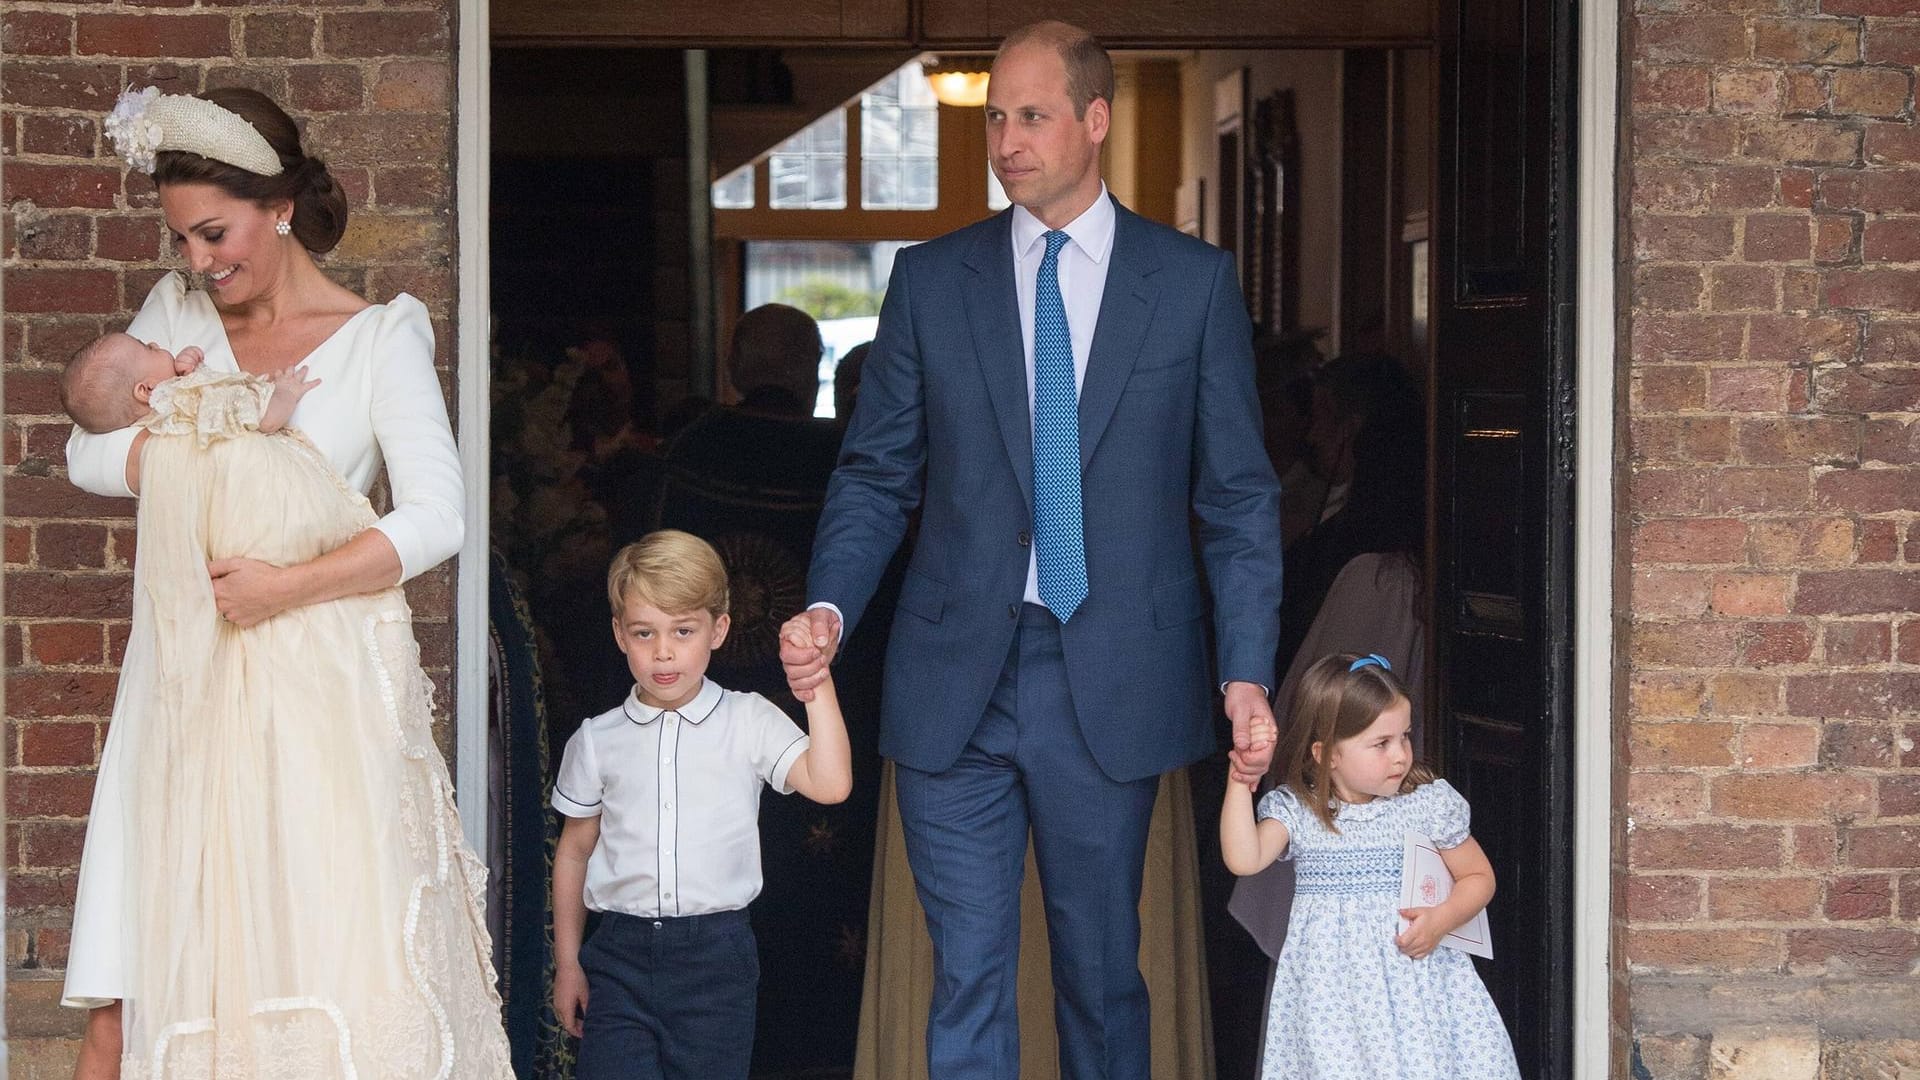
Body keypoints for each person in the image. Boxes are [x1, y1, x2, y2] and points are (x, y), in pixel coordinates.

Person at [781, 21, 1283, 1079]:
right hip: (953, 669)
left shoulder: (1190, 284)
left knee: (1102, 980)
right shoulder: (932, 279)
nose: (1007, 139)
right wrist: (831, 605)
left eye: (1032, 115)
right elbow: (878, 473)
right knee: (967, 977)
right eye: (995, 117)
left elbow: (1237, 500)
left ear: (1095, 122)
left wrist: (1244, 672)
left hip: (1109, 675)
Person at [63, 85, 507, 1079]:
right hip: (178, 688)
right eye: (181, 241)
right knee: (126, 999)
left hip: (309, 697)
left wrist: (285, 586)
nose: (198, 262)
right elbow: (88, 454)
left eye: (214, 233)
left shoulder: (382, 335)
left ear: (281, 207)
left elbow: (438, 518)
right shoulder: (175, 317)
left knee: (311, 973)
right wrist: (210, 455)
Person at [549, 530, 853, 1080]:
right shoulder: (597, 739)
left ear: (720, 630)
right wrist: (568, 962)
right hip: (619, 956)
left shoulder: (749, 719)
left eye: (683, 631)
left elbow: (830, 784)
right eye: (645, 633)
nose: (663, 652)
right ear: (620, 634)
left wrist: (817, 684)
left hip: (716, 959)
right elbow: (574, 852)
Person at [1219, 654, 1519, 1080]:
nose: (1400, 756)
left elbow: (1478, 876)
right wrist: (1239, 781)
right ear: (1327, 756)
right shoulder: (1302, 811)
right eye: (1381, 744)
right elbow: (1243, 858)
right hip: (1335, 1002)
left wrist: (1441, 920)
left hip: (1416, 990)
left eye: (1405, 737)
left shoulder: (1424, 805)